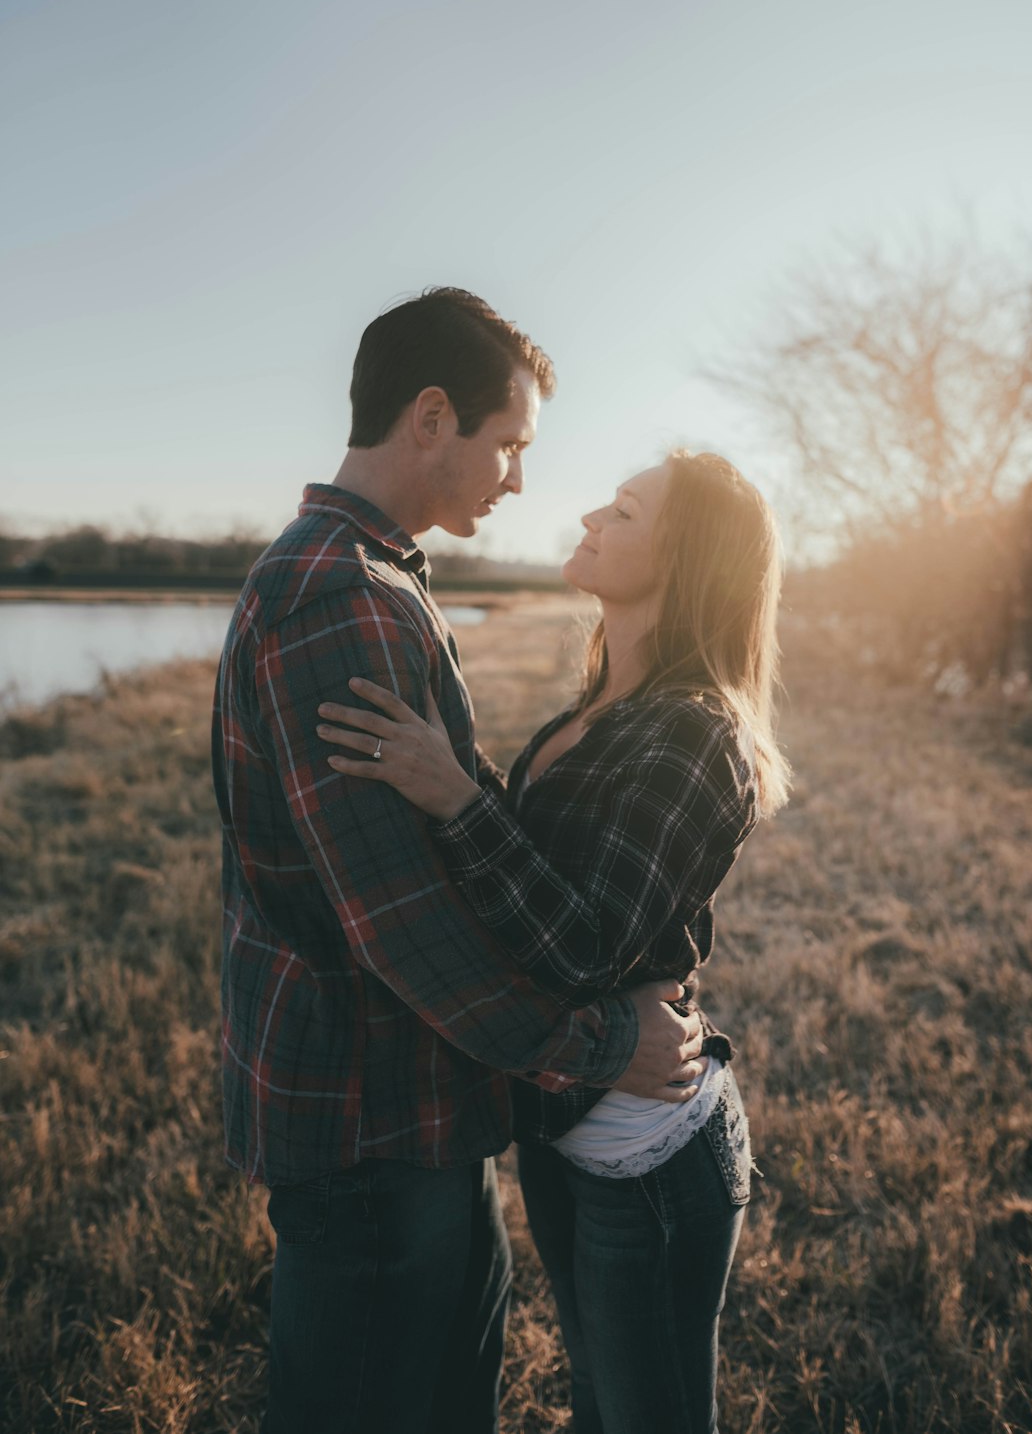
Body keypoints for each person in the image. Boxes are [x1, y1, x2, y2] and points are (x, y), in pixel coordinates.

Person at [210, 288, 708, 1434]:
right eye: (511, 444)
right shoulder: (341, 602)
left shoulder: (367, 576)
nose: (520, 479)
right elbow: (406, 932)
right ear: (432, 417)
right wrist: (600, 1047)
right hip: (373, 1126)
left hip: (402, 1112)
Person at [315, 447, 791, 1434]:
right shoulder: (603, 709)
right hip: (570, 1123)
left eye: (623, 511)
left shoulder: (695, 735)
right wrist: (462, 785)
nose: (588, 518)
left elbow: (581, 946)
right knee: (601, 1405)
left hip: (650, 1148)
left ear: (688, 555)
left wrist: (455, 794)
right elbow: (532, 874)